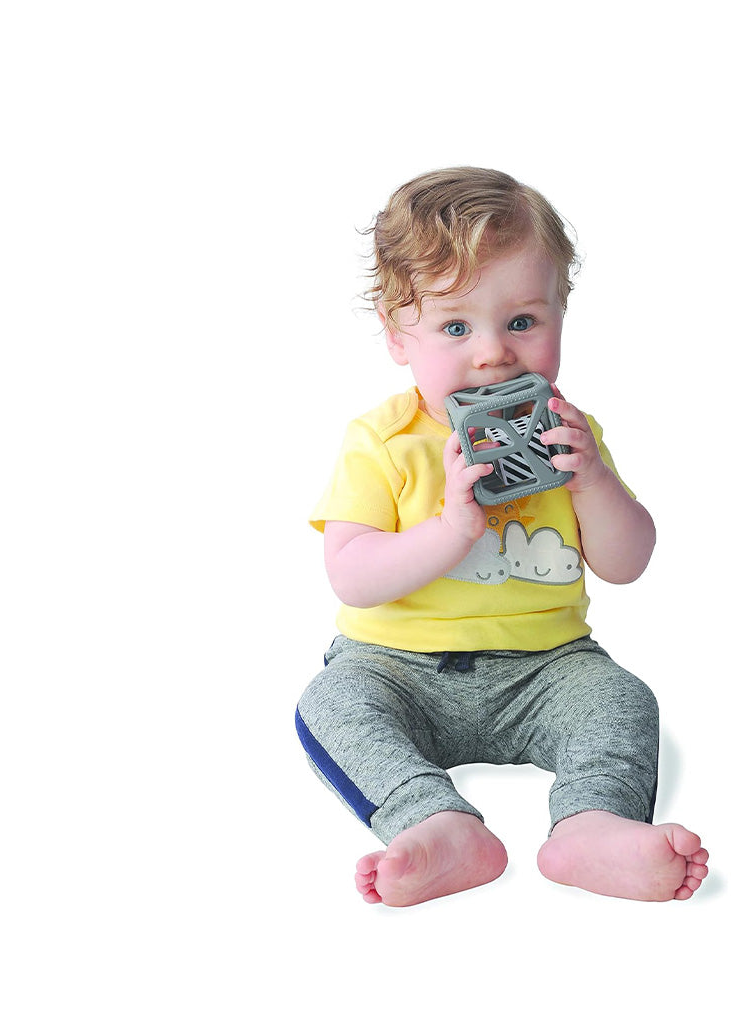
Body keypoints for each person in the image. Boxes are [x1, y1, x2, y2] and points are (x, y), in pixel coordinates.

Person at [295, 167, 709, 906]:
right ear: (398, 336)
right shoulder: (381, 441)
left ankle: (591, 826)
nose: (493, 354)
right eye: (456, 327)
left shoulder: (569, 436)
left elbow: (628, 562)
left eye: (522, 322)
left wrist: (592, 484)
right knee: (332, 704)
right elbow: (352, 576)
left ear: (559, 316)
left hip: (546, 666)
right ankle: (436, 822)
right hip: (398, 668)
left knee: (621, 701)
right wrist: (454, 526)